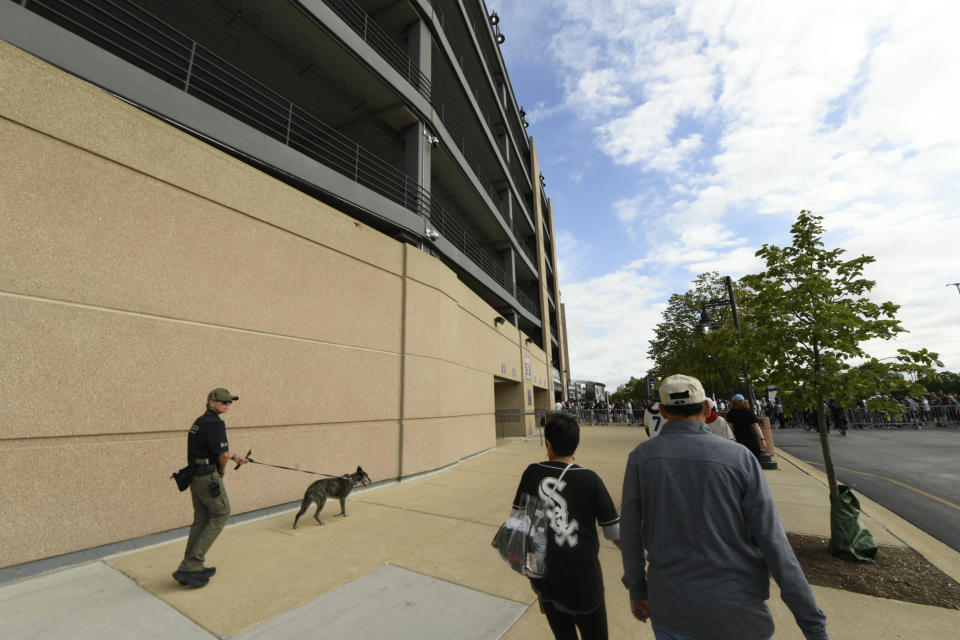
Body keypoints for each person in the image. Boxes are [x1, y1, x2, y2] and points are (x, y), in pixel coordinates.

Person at [620, 374, 829, 640]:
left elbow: (629, 530)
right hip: (737, 610)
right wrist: (811, 622)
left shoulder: (641, 458)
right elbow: (772, 539)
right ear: (707, 409)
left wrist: (637, 590)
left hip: (671, 608)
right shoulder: (738, 457)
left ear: (661, 410)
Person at [512, 414, 621, 639]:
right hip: (584, 581)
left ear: (548, 443)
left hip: (545, 577)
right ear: (576, 444)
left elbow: (518, 519)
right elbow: (613, 531)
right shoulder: (590, 479)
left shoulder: (532, 472)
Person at [173, 388, 249, 588]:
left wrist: (235, 456)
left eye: (230, 402)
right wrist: (222, 472)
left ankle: (191, 565)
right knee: (221, 513)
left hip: (195, 476)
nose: (227, 405)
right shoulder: (216, 423)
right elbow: (222, 455)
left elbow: (219, 451)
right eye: (224, 402)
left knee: (202, 518)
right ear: (211, 402)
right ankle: (191, 565)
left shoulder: (199, 422)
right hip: (208, 477)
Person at [726, 393, 766, 460]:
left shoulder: (731, 413)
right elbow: (756, 425)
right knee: (754, 460)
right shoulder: (748, 412)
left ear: (733, 402)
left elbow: (730, 428)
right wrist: (762, 439)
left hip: (739, 439)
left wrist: (731, 440)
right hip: (752, 438)